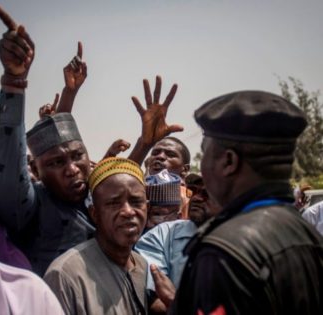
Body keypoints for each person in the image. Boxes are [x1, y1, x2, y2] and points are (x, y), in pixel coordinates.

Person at [0, 5, 182, 276]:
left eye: (78, 156)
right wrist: (14, 81)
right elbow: (6, 169)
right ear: (37, 171)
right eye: (56, 163)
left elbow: (112, 182)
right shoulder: (33, 208)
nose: (72, 169)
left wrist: (144, 143)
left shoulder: (90, 201)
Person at [171, 90, 323, 315]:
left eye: (204, 154)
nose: (201, 168)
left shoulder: (224, 253)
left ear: (229, 161)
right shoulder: (308, 236)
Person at [44, 157, 148, 315]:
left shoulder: (142, 265)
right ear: (94, 214)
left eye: (136, 201)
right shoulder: (66, 274)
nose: (128, 211)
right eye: (114, 203)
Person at [135, 174, 220, 314]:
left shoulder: (246, 242)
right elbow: (157, 303)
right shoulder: (161, 235)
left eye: (206, 194)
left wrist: (174, 301)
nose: (197, 198)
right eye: (195, 192)